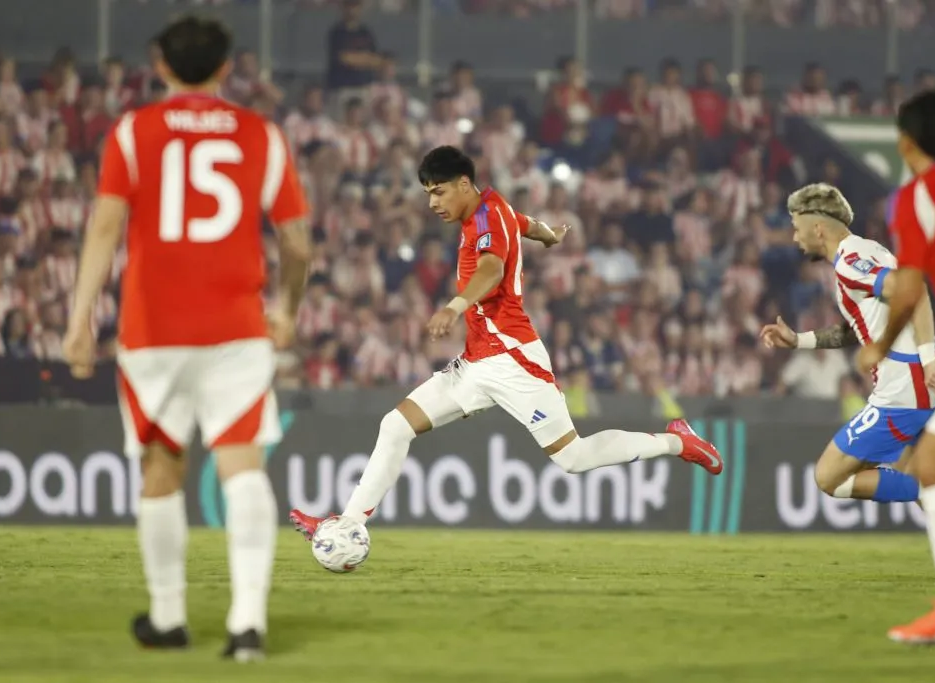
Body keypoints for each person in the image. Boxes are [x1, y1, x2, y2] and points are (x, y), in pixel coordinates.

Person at [289, 145, 722, 543]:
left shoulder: (485, 220)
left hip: (514, 358)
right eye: (427, 194)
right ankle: (345, 526)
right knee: (395, 425)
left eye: (438, 192)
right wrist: (548, 234)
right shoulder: (494, 209)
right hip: (477, 362)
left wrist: (454, 307)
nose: (432, 203)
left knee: (573, 457)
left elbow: (493, 270)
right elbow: (524, 223)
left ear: (463, 184)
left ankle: (676, 441)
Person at [62, 16, 311, 661]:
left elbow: (103, 229)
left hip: (153, 331)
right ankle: (247, 624)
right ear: (227, 68)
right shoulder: (263, 135)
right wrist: (285, 305)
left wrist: (78, 319)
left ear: (162, 66)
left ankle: (170, 619)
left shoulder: (133, 132)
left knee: (160, 470)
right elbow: (296, 241)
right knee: (241, 467)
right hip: (235, 329)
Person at [760, 183, 935, 507]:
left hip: (903, 388)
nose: (795, 238)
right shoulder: (867, 251)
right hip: (910, 383)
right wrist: (800, 340)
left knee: (830, 476)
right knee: (905, 471)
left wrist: (928, 359)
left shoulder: (850, 262)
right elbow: (860, 327)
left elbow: (911, 289)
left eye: (797, 229)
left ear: (817, 228)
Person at [856, 89, 935, 643]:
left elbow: (908, 285)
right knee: (931, 461)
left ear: (905, 141)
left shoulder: (915, 197)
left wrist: (882, 342)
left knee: (932, 464)